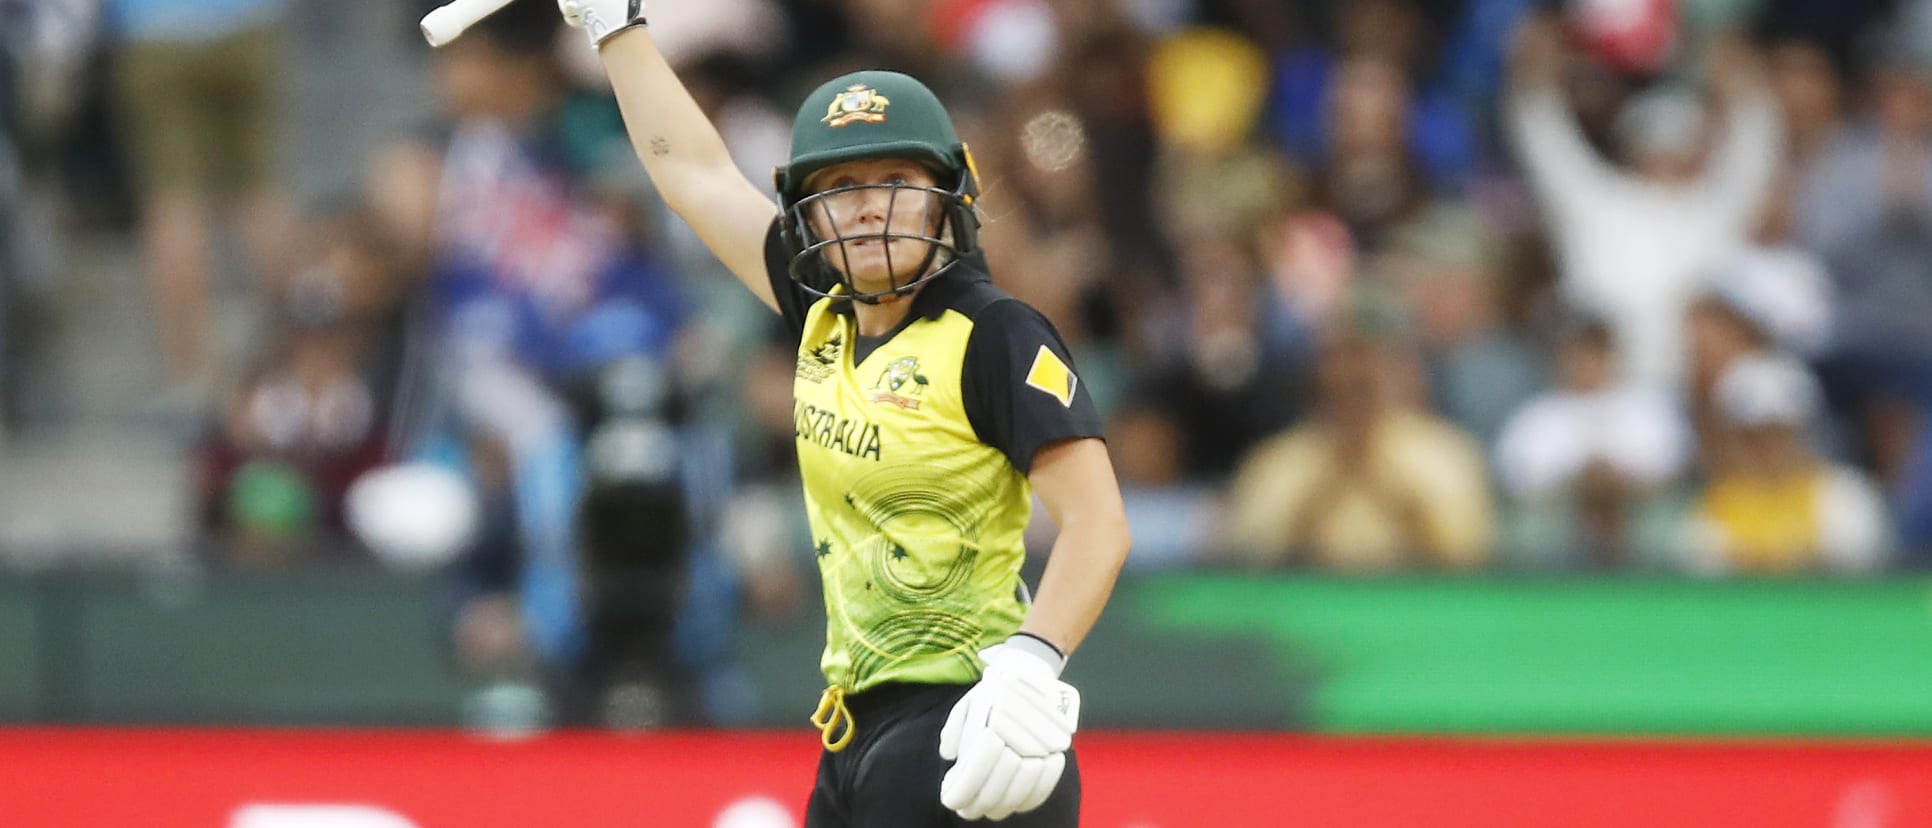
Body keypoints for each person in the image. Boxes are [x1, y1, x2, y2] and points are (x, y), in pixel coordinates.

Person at [556, 2, 1132, 825]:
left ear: (947, 197)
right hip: (854, 730)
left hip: (971, 718)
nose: (868, 208)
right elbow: (694, 175)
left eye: (896, 183)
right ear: (809, 216)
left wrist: (1031, 666)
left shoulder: (993, 333)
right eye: (840, 188)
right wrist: (617, 29)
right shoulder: (820, 312)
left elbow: (1098, 524)